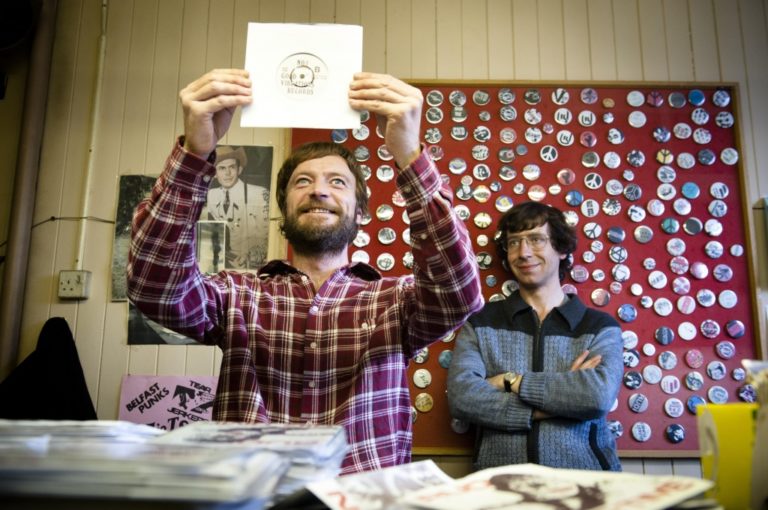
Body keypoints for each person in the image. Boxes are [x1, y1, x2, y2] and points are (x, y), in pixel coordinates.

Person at [127, 69, 483, 474]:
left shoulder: (397, 301)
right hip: (256, 495)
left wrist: (409, 156)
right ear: (284, 207)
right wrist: (194, 154)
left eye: (337, 182)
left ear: (361, 212)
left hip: (361, 499)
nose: (319, 190)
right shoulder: (236, 295)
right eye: (303, 181)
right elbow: (154, 289)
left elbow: (459, 294)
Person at [446, 201, 623, 472]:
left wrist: (510, 381)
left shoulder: (599, 326)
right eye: (514, 242)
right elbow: (462, 398)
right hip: (500, 483)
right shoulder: (481, 323)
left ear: (561, 249)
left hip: (586, 481)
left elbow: (596, 396)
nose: (524, 252)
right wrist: (560, 398)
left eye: (536, 239)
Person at [203, 145, 270, 269]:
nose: (227, 173)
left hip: (251, 265)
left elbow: (268, 236)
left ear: (239, 169)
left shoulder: (259, 193)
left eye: (232, 167)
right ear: (215, 173)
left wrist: (252, 256)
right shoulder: (211, 195)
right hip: (221, 263)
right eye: (222, 168)